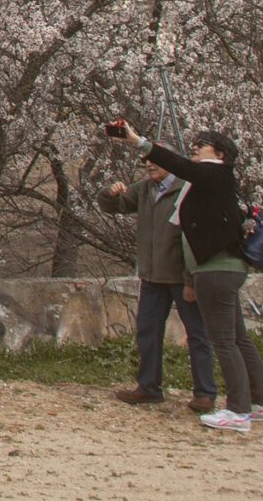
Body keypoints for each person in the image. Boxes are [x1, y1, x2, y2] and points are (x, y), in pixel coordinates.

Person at [105, 123, 263, 430]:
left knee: (223, 341)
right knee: (238, 338)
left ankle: (237, 410)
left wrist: (137, 141)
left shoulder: (213, 174)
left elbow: (179, 166)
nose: (195, 146)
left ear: (220, 154)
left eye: (203, 144)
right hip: (223, 268)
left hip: (215, 270)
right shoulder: (211, 185)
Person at [98, 156, 216, 410]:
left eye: (156, 162)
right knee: (147, 331)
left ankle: (205, 392)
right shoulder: (146, 189)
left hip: (180, 275)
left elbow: (195, 236)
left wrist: (191, 279)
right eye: (146, 163)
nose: (150, 166)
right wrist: (109, 193)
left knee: (196, 333)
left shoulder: (187, 189)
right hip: (152, 276)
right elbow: (114, 205)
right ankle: (149, 386)